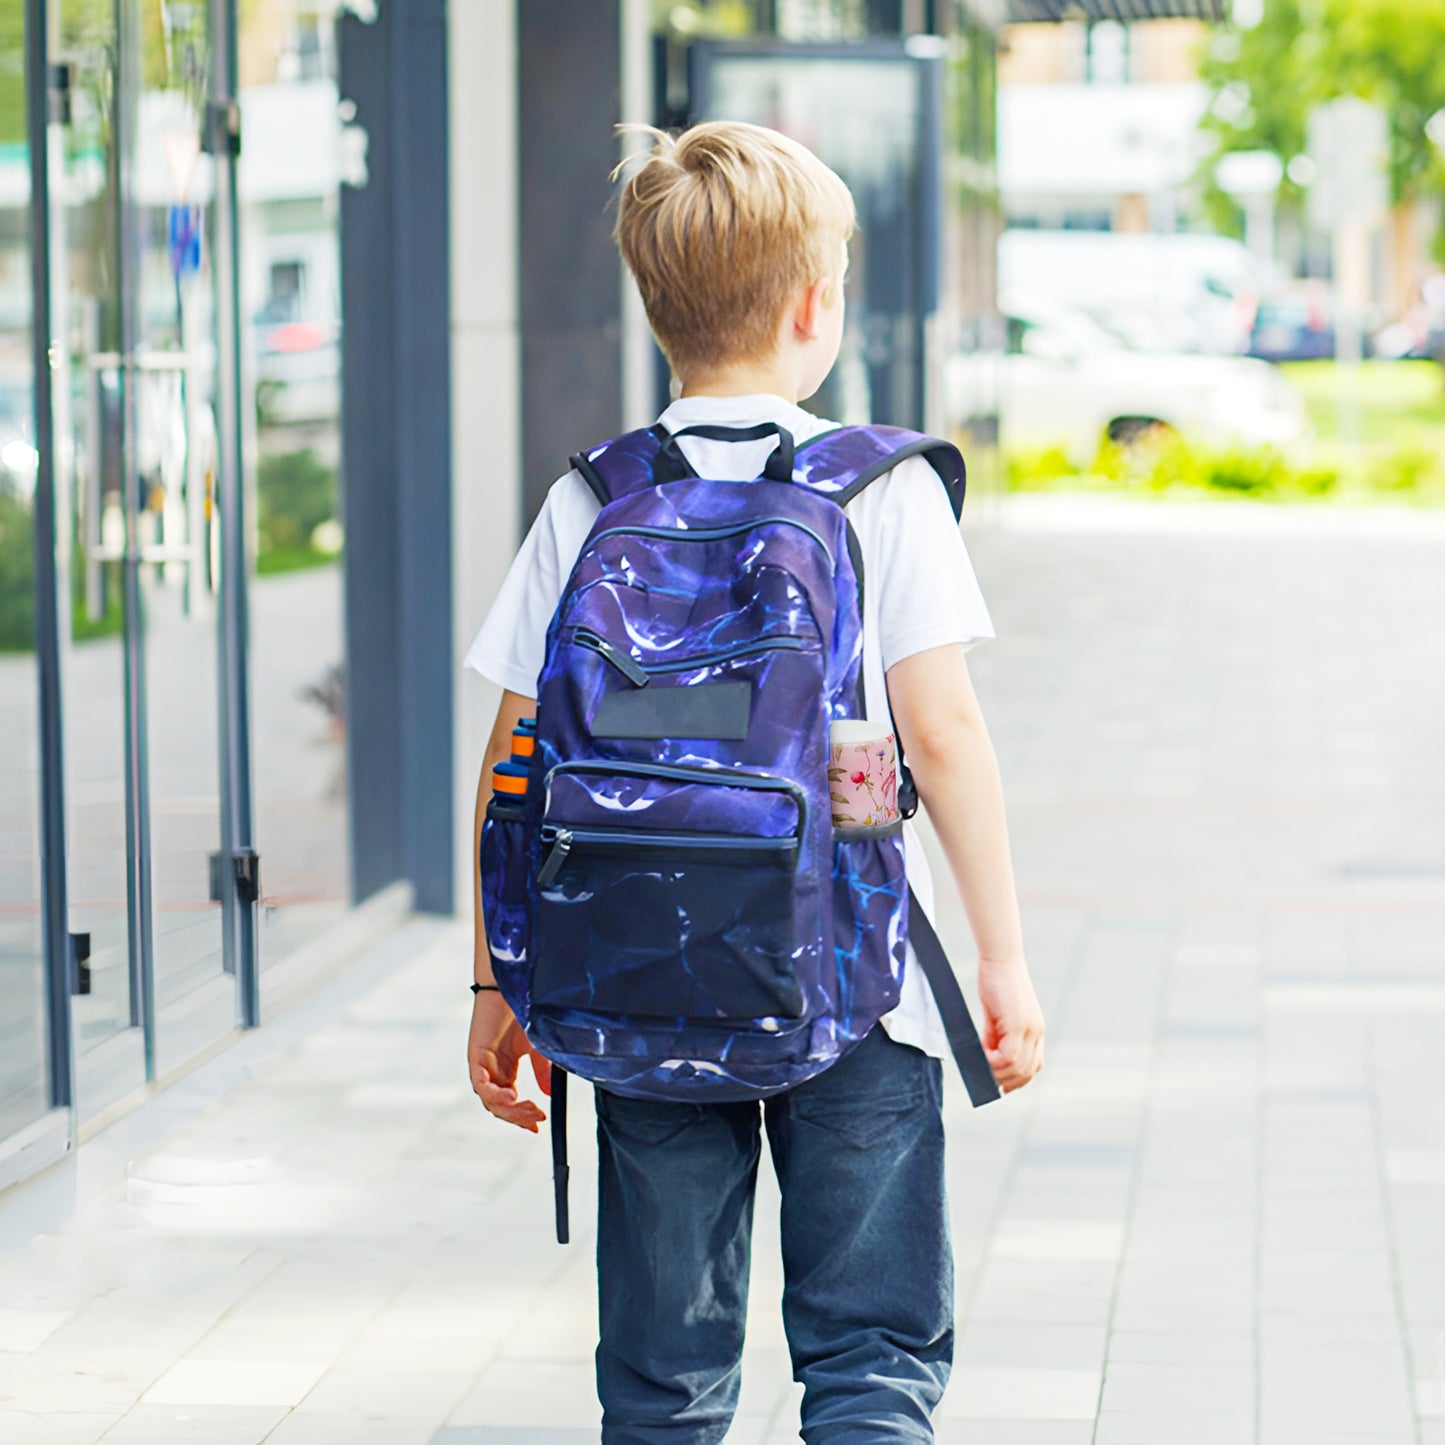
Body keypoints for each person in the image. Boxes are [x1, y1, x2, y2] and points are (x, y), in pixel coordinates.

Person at [465, 120, 1045, 1443]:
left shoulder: (591, 495)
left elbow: (513, 761)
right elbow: (942, 733)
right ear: (812, 303)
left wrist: (499, 984)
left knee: (664, 1379)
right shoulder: (876, 490)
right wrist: (1002, 959)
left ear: (655, 308)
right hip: (861, 990)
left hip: (637, 981)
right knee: (870, 1359)